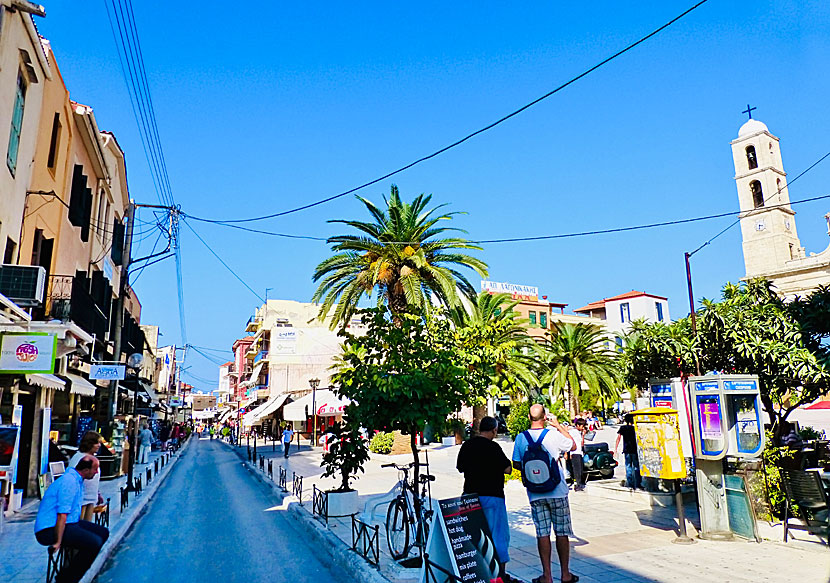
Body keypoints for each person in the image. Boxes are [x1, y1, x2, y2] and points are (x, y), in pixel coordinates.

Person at [512, 405, 578, 583]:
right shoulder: (553, 435)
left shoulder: (520, 438)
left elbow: (516, 463)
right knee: (561, 532)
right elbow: (572, 445)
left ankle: (547, 575)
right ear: (545, 417)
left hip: (535, 494)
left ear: (528, 417)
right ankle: (565, 574)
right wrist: (557, 425)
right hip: (558, 491)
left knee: (542, 533)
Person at [34, 455, 110, 583]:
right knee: (93, 543)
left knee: (103, 532)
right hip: (49, 528)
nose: (97, 472)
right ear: (86, 470)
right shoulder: (69, 482)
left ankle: (71, 569)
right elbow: (61, 514)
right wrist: (58, 541)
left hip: (69, 523)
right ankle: (67, 579)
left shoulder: (77, 480)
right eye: (95, 469)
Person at [456, 416, 513, 581]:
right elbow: (508, 469)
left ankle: (475, 572)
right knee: (498, 535)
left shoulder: (467, 445)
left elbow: (460, 467)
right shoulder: (494, 447)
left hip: (470, 497)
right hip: (492, 496)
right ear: (494, 430)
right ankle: (500, 575)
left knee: (473, 535)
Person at [68, 432, 104, 522]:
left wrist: (97, 493)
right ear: (89, 443)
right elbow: (72, 477)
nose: (99, 445)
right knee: (79, 522)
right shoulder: (79, 458)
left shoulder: (92, 457)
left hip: (90, 496)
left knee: (87, 523)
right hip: (81, 497)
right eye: (97, 443)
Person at [614, 414, 641, 490]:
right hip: (635, 450)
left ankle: (630, 484)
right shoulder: (635, 428)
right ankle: (638, 483)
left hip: (627, 450)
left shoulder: (623, 428)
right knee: (636, 467)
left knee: (628, 466)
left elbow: (618, 438)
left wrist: (615, 449)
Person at [568, 419, 587, 492]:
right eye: (582, 426)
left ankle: (580, 483)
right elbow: (569, 441)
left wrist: (583, 435)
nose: (583, 428)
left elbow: (581, 443)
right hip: (574, 452)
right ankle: (577, 485)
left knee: (580, 469)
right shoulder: (572, 432)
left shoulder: (579, 433)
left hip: (579, 452)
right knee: (576, 470)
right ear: (577, 425)